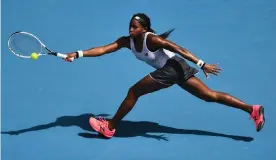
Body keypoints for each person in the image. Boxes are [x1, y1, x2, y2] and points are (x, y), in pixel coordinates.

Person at [64, 13, 265, 138]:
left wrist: (202, 64)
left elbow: (178, 48)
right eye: (130, 26)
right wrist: (78, 53)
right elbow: (103, 49)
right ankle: (252, 109)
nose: (131, 29)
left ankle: (110, 126)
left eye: (135, 27)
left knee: (134, 92)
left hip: (172, 67)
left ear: (144, 28)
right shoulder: (127, 41)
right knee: (209, 96)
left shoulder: (153, 40)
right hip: (178, 68)